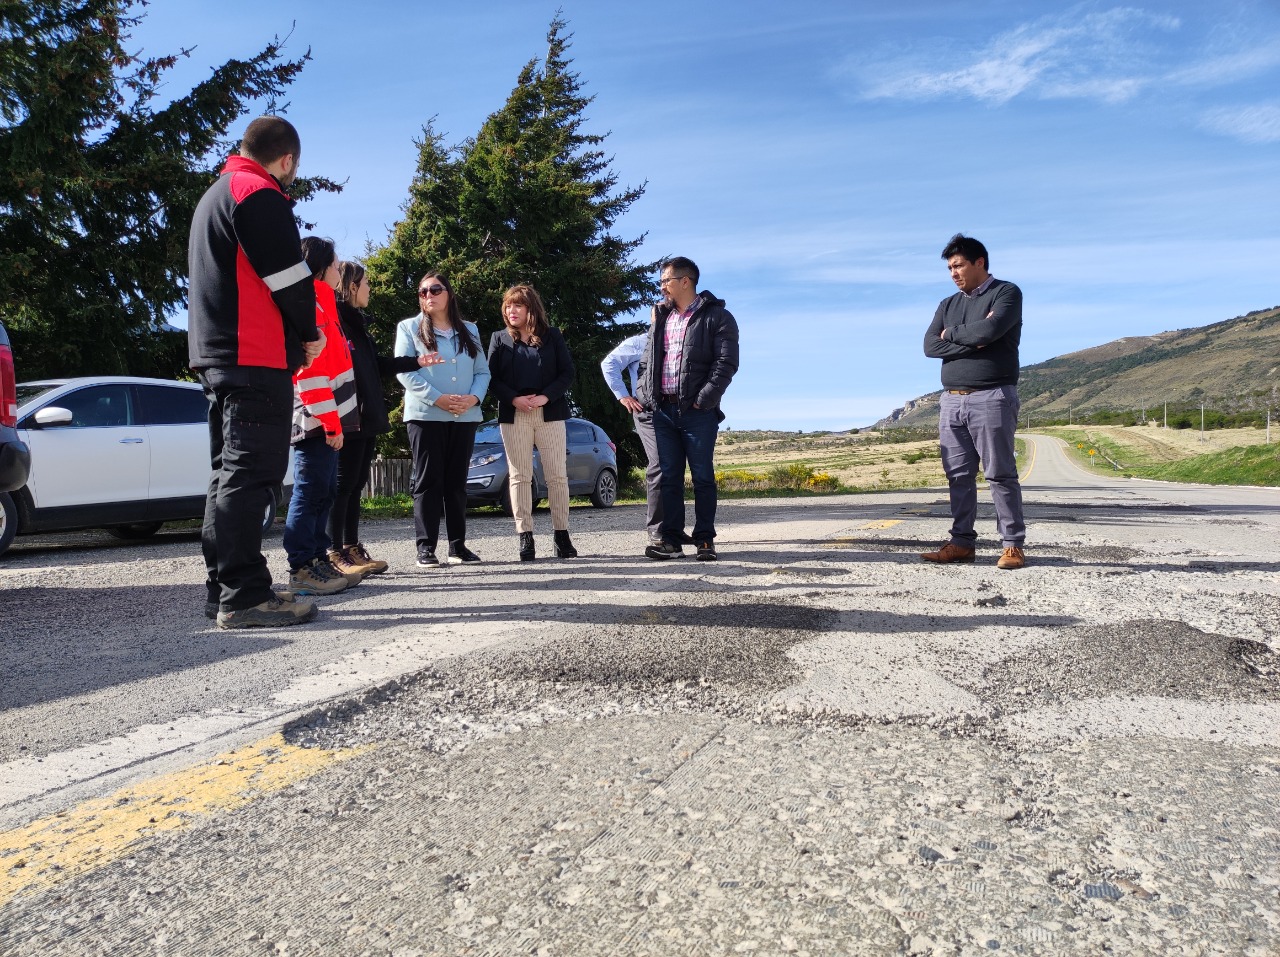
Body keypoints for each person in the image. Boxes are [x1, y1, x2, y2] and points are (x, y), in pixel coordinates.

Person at [188, 115, 324, 629]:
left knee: (227, 476)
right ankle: (244, 596)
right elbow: (289, 278)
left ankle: (222, 589)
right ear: (286, 160)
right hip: (254, 355)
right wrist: (308, 333)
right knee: (251, 477)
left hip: (219, 356)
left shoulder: (216, 194)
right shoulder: (257, 193)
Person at [327, 261, 441, 577]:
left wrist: (416, 362)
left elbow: (375, 365)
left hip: (368, 415)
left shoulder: (358, 323)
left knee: (357, 482)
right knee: (343, 485)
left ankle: (351, 547)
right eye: (365, 283)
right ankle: (333, 551)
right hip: (348, 415)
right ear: (351, 287)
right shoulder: (335, 322)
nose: (369, 289)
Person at [921, 233, 1027, 570]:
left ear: (979, 262)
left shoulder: (1006, 293)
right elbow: (929, 347)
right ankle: (961, 542)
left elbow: (988, 332)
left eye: (959, 265)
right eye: (950, 267)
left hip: (992, 396)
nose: (953, 272)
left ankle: (1012, 545)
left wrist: (951, 334)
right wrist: (974, 337)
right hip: (952, 400)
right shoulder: (947, 305)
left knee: (999, 474)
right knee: (958, 475)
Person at [636, 257, 739, 561]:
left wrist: (704, 399)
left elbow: (726, 363)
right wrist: (646, 394)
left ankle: (705, 540)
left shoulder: (718, 317)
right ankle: (670, 541)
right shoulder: (660, 317)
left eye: (665, 281)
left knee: (703, 476)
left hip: (698, 413)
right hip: (663, 411)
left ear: (685, 281)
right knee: (668, 477)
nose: (661, 287)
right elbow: (646, 362)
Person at [283, 237, 362, 595]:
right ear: (319, 267)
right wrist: (331, 423)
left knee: (325, 491)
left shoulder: (324, 301)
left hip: (330, 419)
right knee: (310, 491)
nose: (338, 271)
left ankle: (317, 559)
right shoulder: (309, 304)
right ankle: (301, 565)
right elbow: (309, 372)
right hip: (315, 420)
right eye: (334, 265)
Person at [395, 272, 491, 567]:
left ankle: (458, 546)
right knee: (428, 481)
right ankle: (426, 548)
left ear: (448, 293)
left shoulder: (470, 330)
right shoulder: (409, 328)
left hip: (464, 417)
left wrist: (473, 398)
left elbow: (482, 372)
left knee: (456, 483)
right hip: (426, 415)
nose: (428, 296)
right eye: (422, 292)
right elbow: (404, 370)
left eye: (434, 289)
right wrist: (437, 398)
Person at [486, 284, 577, 562]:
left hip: (549, 413)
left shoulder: (553, 337)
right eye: (508, 306)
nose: (511, 311)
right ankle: (525, 537)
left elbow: (567, 373)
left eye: (518, 306)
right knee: (520, 476)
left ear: (531, 309)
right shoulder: (499, 339)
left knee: (557, 476)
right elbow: (491, 378)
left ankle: (562, 536)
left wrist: (545, 397)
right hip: (514, 415)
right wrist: (514, 399)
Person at [601, 313, 676, 547]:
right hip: (647, 412)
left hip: (677, 412)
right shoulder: (639, 342)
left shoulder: (679, 344)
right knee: (659, 465)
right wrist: (623, 396)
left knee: (673, 467)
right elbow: (609, 363)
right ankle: (656, 529)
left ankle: (673, 529)